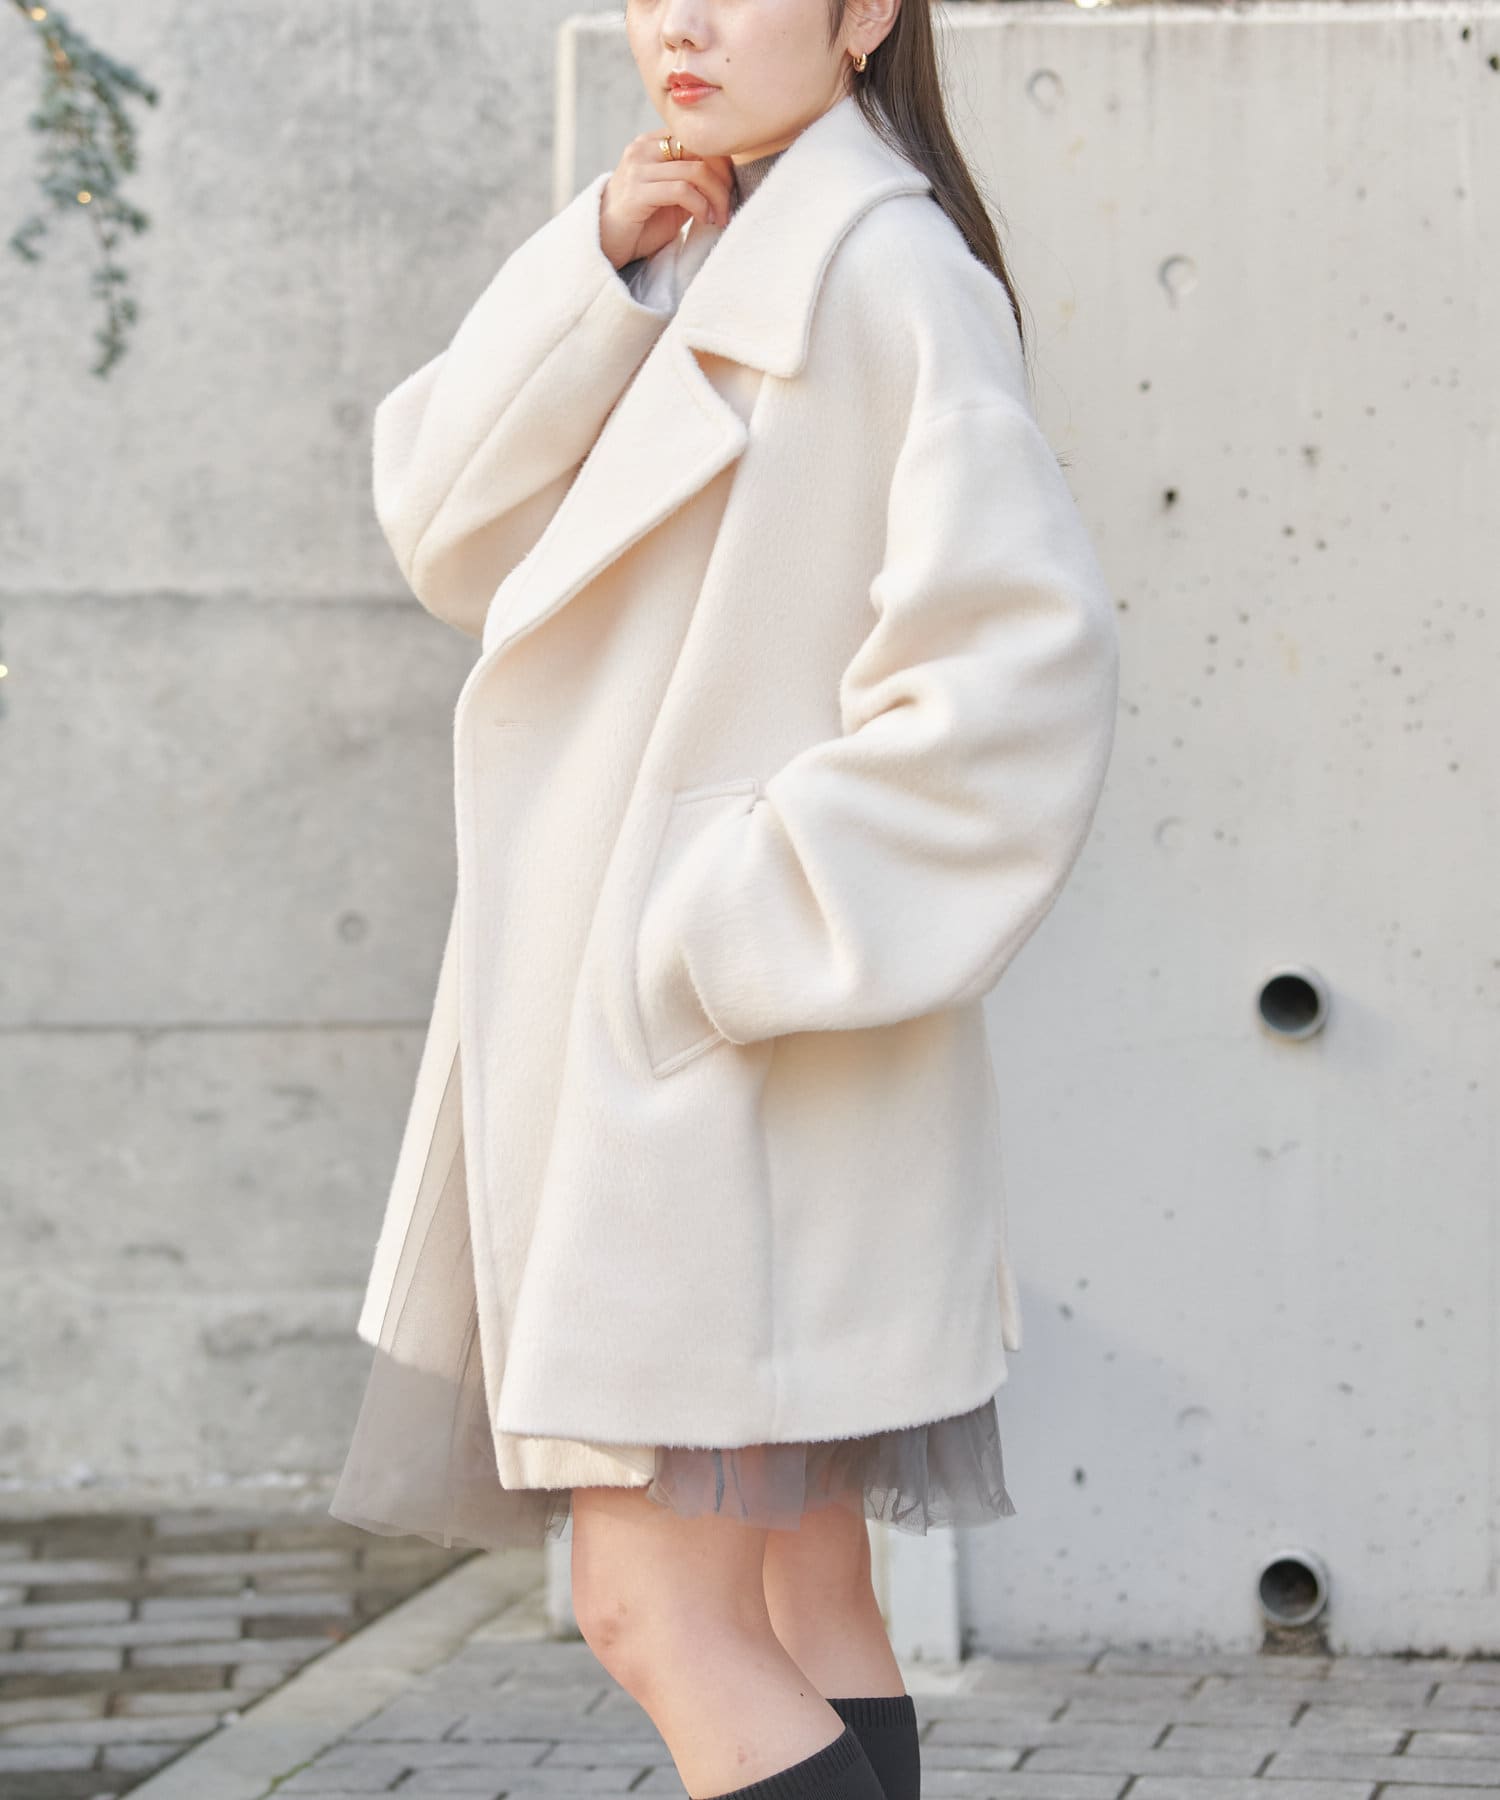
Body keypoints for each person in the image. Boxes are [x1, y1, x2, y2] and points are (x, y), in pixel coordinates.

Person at [331, 1, 1121, 1797]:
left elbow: (1019, 676)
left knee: (651, 1611)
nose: (678, 23)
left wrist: (726, 919)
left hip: (716, 1063)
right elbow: (446, 528)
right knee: (797, 1588)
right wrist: (596, 266)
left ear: (862, 19)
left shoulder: (886, 276)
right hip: (701, 1064)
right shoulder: (701, 247)